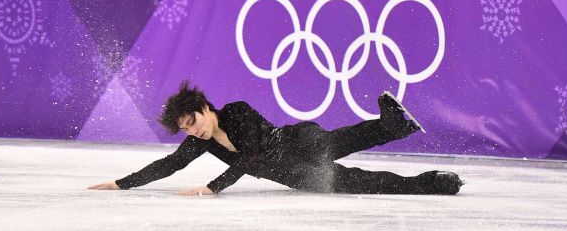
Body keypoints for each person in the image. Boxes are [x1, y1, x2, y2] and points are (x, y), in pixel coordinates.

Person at [88, 82, 464, 196]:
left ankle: (391, 126)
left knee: (332, 143)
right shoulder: (201, 142)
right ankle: (436, 184)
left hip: (298, 143)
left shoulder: (235, 110)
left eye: (193, 121)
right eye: (186, 129)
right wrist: (122, 183)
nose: (194, 131)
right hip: (292, 175)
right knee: (361, 182)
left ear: (205, 107)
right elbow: (169, 164)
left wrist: (215, 186)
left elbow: (250, 153)